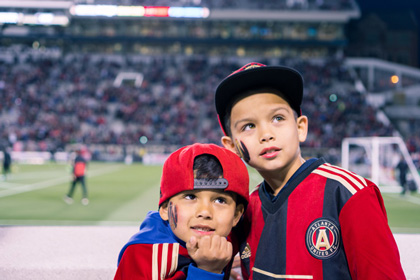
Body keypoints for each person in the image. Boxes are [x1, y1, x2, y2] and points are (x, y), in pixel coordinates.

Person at [214, 62, 406, 279]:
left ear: (300, 127)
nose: (266, 134)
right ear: (231, 147)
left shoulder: (348, 194)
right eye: (248, 126)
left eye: (278, 118)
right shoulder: (247, 209)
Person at [114, 143, 249, 279]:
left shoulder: (226, 234)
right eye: (190, 197)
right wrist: (208, 271)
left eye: (220, 200)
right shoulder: (142, 256)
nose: (205, 212)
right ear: (165, 209)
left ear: (236, 215)